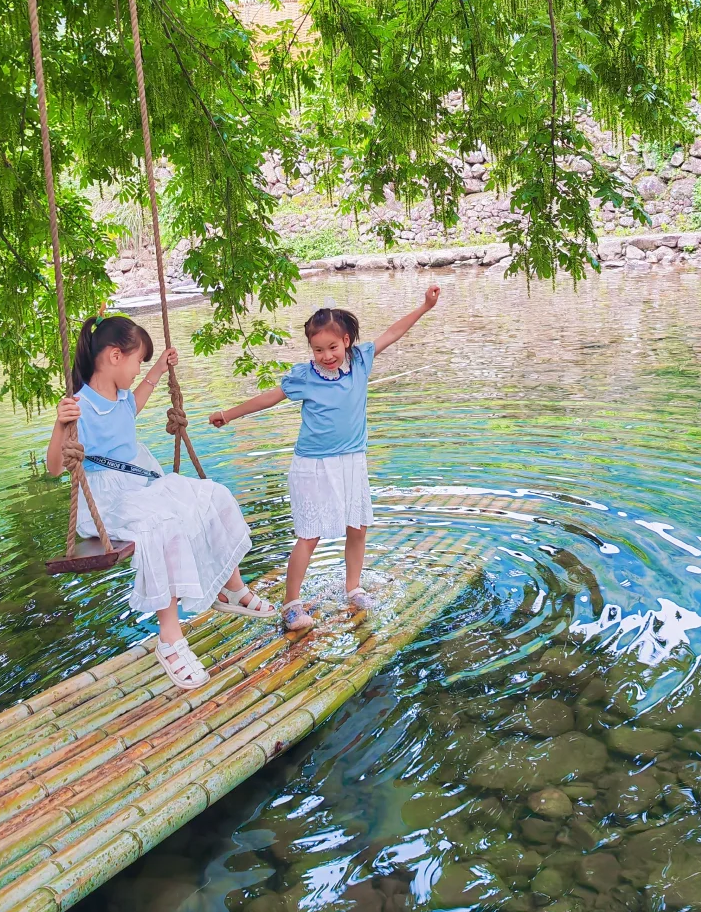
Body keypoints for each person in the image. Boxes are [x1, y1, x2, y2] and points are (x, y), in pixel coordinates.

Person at [47, 313, 273, 690]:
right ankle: (169, 638)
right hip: (106, 502)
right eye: (138, 361)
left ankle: (231, 587)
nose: (139, 369)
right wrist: (59, 424)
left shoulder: (121, 397)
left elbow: (133, 403)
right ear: (115, 356)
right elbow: (55, 468)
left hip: (141, 485)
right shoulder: (78, 406)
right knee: (163, 525)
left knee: (212, 495)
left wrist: (158, 369)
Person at [209, 286, 441, 631]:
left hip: (352, 461)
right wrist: (228, 414)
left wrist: (424, 306)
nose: (326, 355)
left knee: (357, 527)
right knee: (310, 534)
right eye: (318, 349)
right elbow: (269, 398)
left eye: (332, 347)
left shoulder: (360, 361)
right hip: (313, 466)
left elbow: (393, 332)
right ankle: (291, 604)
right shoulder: (305, 376)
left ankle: (353, 588)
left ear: (346, 341)